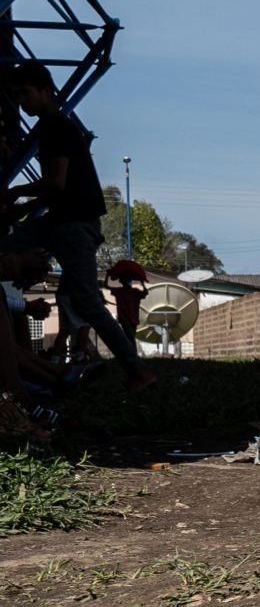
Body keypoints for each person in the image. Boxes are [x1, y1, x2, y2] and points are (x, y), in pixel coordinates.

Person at [3, 62, 151, 390]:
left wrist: (16, 192)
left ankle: (137, 370)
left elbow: (56, 184)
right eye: (17, 96)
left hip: (71, 226)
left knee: (86, 303)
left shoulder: (56, 129)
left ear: (46, 91)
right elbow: (59, 190)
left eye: (26, 93)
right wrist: (26, 206)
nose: (22, 102)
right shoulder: (54, 128)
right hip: (61, 221)